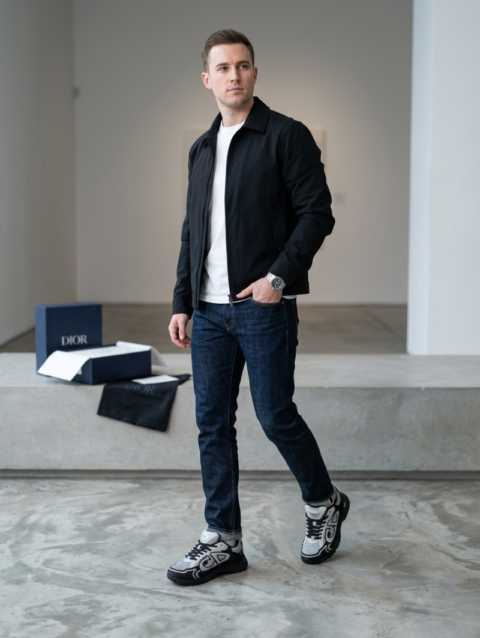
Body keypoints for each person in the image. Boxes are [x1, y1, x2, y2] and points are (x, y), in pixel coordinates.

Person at [167, 29, 349, 586]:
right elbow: (192, 230)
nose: (234, 75)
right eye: (223, 67)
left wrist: (277, 278)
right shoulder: (202, 148)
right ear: (207, 78)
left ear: (254, 72)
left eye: (243, 65)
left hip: (262, 305)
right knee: (211, 423)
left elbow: (317, 213)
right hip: (209, 312)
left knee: (274, 415)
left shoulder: (286, 135)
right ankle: (223, 538)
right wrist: (182, 301)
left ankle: (324, 502)